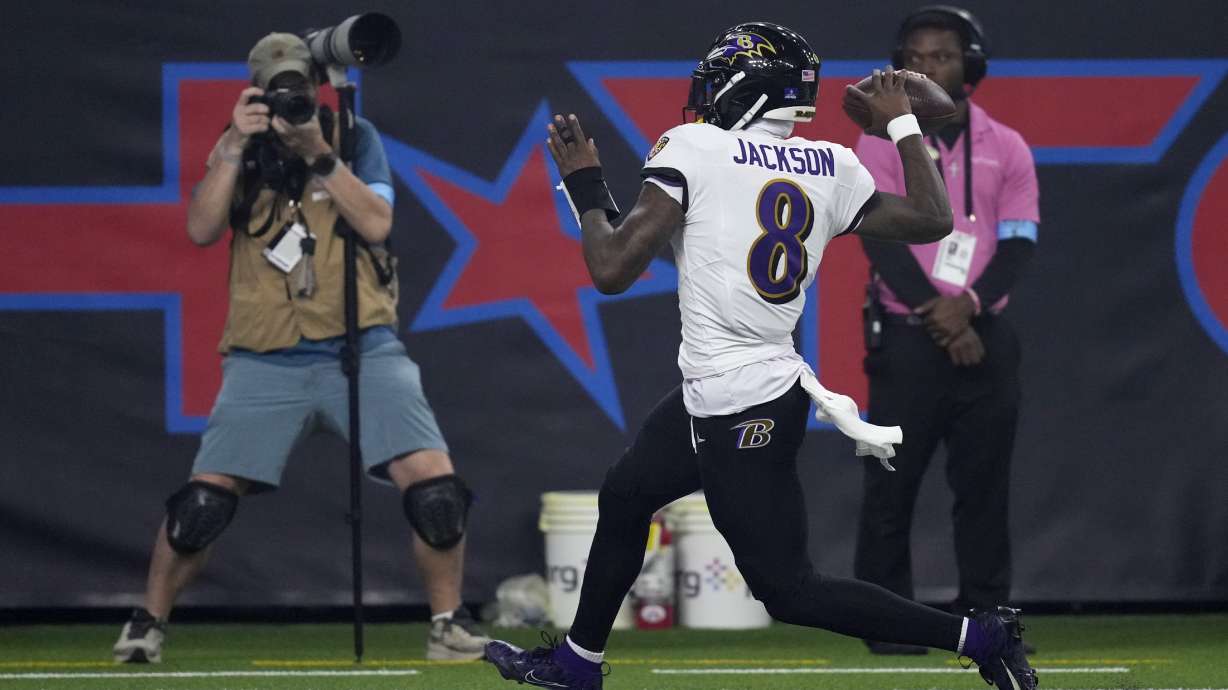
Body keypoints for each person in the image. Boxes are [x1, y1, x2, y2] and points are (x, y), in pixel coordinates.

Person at [483, 22, 1036, 690]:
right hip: (732, 385)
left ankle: (982, 636)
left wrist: (585, 183)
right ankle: (579, 662)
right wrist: (902, 127)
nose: (707, 94)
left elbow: (611, 267)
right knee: (627, 495)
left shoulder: (696, 146)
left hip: (741, 402)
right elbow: (931, 219)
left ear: (747, 88)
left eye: (719, 81)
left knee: (789, 589)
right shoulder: (833, 164)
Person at [111, 33, 489, 663]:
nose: (293, 99)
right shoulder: (240, 148)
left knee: (436, 491)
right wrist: (234, 146)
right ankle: (147, 623)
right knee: (202, 503)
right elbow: (201, 228)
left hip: (364, 345)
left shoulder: (351, 137)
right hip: (265, 354)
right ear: (258, 89)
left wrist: (319, 155)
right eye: (280, 88)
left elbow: (376, 222)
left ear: (315, 85)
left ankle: (447, 625)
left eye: (301, 87)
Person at [852, 6, 1039, 655]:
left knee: (985, 489)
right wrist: (941, 315)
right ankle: (887, 627)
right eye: (915, 56)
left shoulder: (1007, 145)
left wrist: (970, 310)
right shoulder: (878, 143)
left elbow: (1018, 243)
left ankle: (988, 621)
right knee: (890, 485)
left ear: (971, 66)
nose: (926, 67)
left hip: (986, 333)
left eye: (943, 56)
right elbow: (879, 237)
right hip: (906, 338)